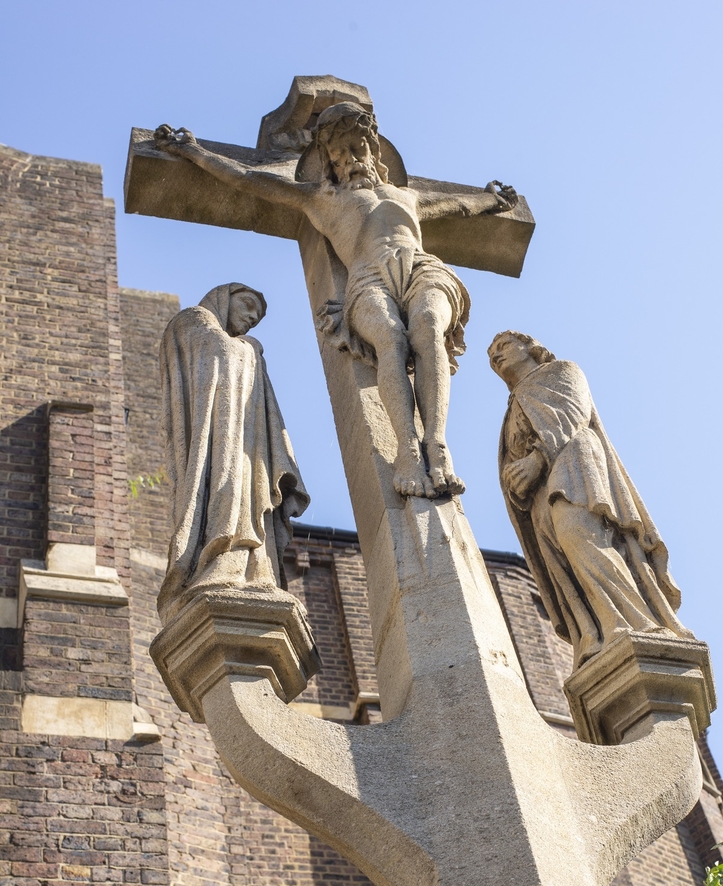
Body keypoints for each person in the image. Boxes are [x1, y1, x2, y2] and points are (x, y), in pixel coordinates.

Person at [154, 105, 518, 501]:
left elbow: (459, 205)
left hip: (421, 268)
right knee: (391, 340)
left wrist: (492, 200)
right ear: (328, 161)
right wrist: (195, 153)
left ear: (373, 153)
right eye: (340, 155)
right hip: (366, 278)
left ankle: (437, 444)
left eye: (358, 149)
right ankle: (408, 449)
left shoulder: (406, 195)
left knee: (428, 326)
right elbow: (248, 179)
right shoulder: (319, 198)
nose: (351, 160)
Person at [489, 330, 691, 669]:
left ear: (531, 347)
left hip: (573, 463)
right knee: (566, 564)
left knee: (580, 535)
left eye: (503, 346)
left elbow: (573, 414)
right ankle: (595, 634)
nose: (495, 356)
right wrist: (515, 480)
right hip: (540, 499)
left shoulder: (561, 372)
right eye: (491, 355)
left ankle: (637, 623)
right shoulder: (509, 412)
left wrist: (536, 460)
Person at [157, 282, 309, 622]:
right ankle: (216, 565)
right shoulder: (192, 320)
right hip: (214, 443)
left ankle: (255, 571)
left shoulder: (243, 344)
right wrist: (249, 349)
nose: (252, 317)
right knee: (225, 495)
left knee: (252, 501)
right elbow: (218, 353)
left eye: (256, 319)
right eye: (248, 305)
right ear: (224, 298)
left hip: (245, 439)